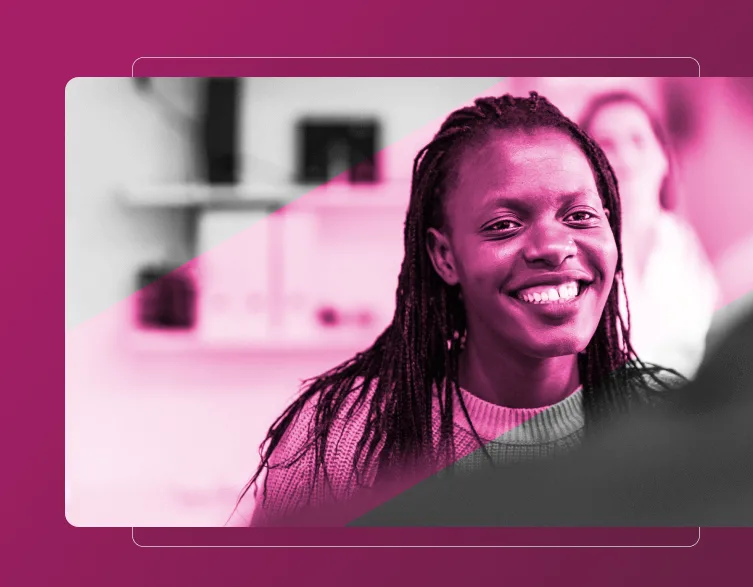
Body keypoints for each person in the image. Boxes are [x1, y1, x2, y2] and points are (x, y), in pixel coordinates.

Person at [239, 92, 683, 527]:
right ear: (445, 256)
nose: (553, 247)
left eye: (580, 216)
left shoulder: (674, 433)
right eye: (504, 225)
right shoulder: (343, 439)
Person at [579, 92, 719, 378]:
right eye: (606, 144)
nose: (625, 156)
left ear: (664, 157)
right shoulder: (576, 253)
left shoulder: (701, 245)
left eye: (638, 140)